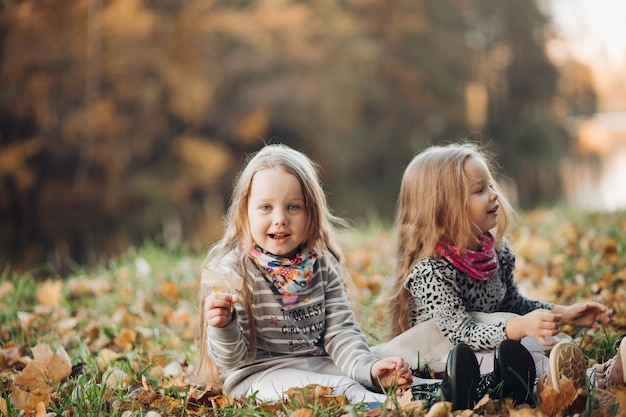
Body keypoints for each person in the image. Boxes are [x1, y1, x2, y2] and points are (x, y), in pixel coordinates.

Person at [197, 143, 464, 407]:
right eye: (266, 207)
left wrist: (370, 369)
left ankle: (449, 390)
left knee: (377, 376)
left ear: (311, 212)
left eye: (293, 207)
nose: (280, 218)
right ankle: (387, 409)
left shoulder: (321, 265)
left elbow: (340, 334)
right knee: (339, 388)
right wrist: (223, 326)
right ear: (245, 213)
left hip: (317, 364)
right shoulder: (233, 272)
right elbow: (230, 361)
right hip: (257, 377)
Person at [383, 142, 625, 410]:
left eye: (490, 185)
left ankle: (580, 381)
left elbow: (513, 305)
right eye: (479, 190)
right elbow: (461, 334)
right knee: (527, 359)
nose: (494, 195)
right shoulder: (432, 271)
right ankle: (585, 383)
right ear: (443, 209)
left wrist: (563, 313)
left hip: (495, 345)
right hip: (447, 356)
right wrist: (518, 328)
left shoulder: (494, 253)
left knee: (527, 352)